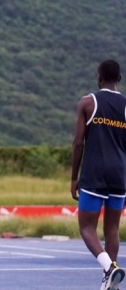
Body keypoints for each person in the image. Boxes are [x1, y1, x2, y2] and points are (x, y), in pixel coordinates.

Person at [71, 59, 125, 290]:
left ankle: (109, 268)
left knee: (86, 227)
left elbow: (78, 143)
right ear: (119, 79)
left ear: (99, 77)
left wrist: (74, 177)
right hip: (120, 174)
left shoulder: (87, 103)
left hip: (94, 173)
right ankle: (109, 281)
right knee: (112, 229)